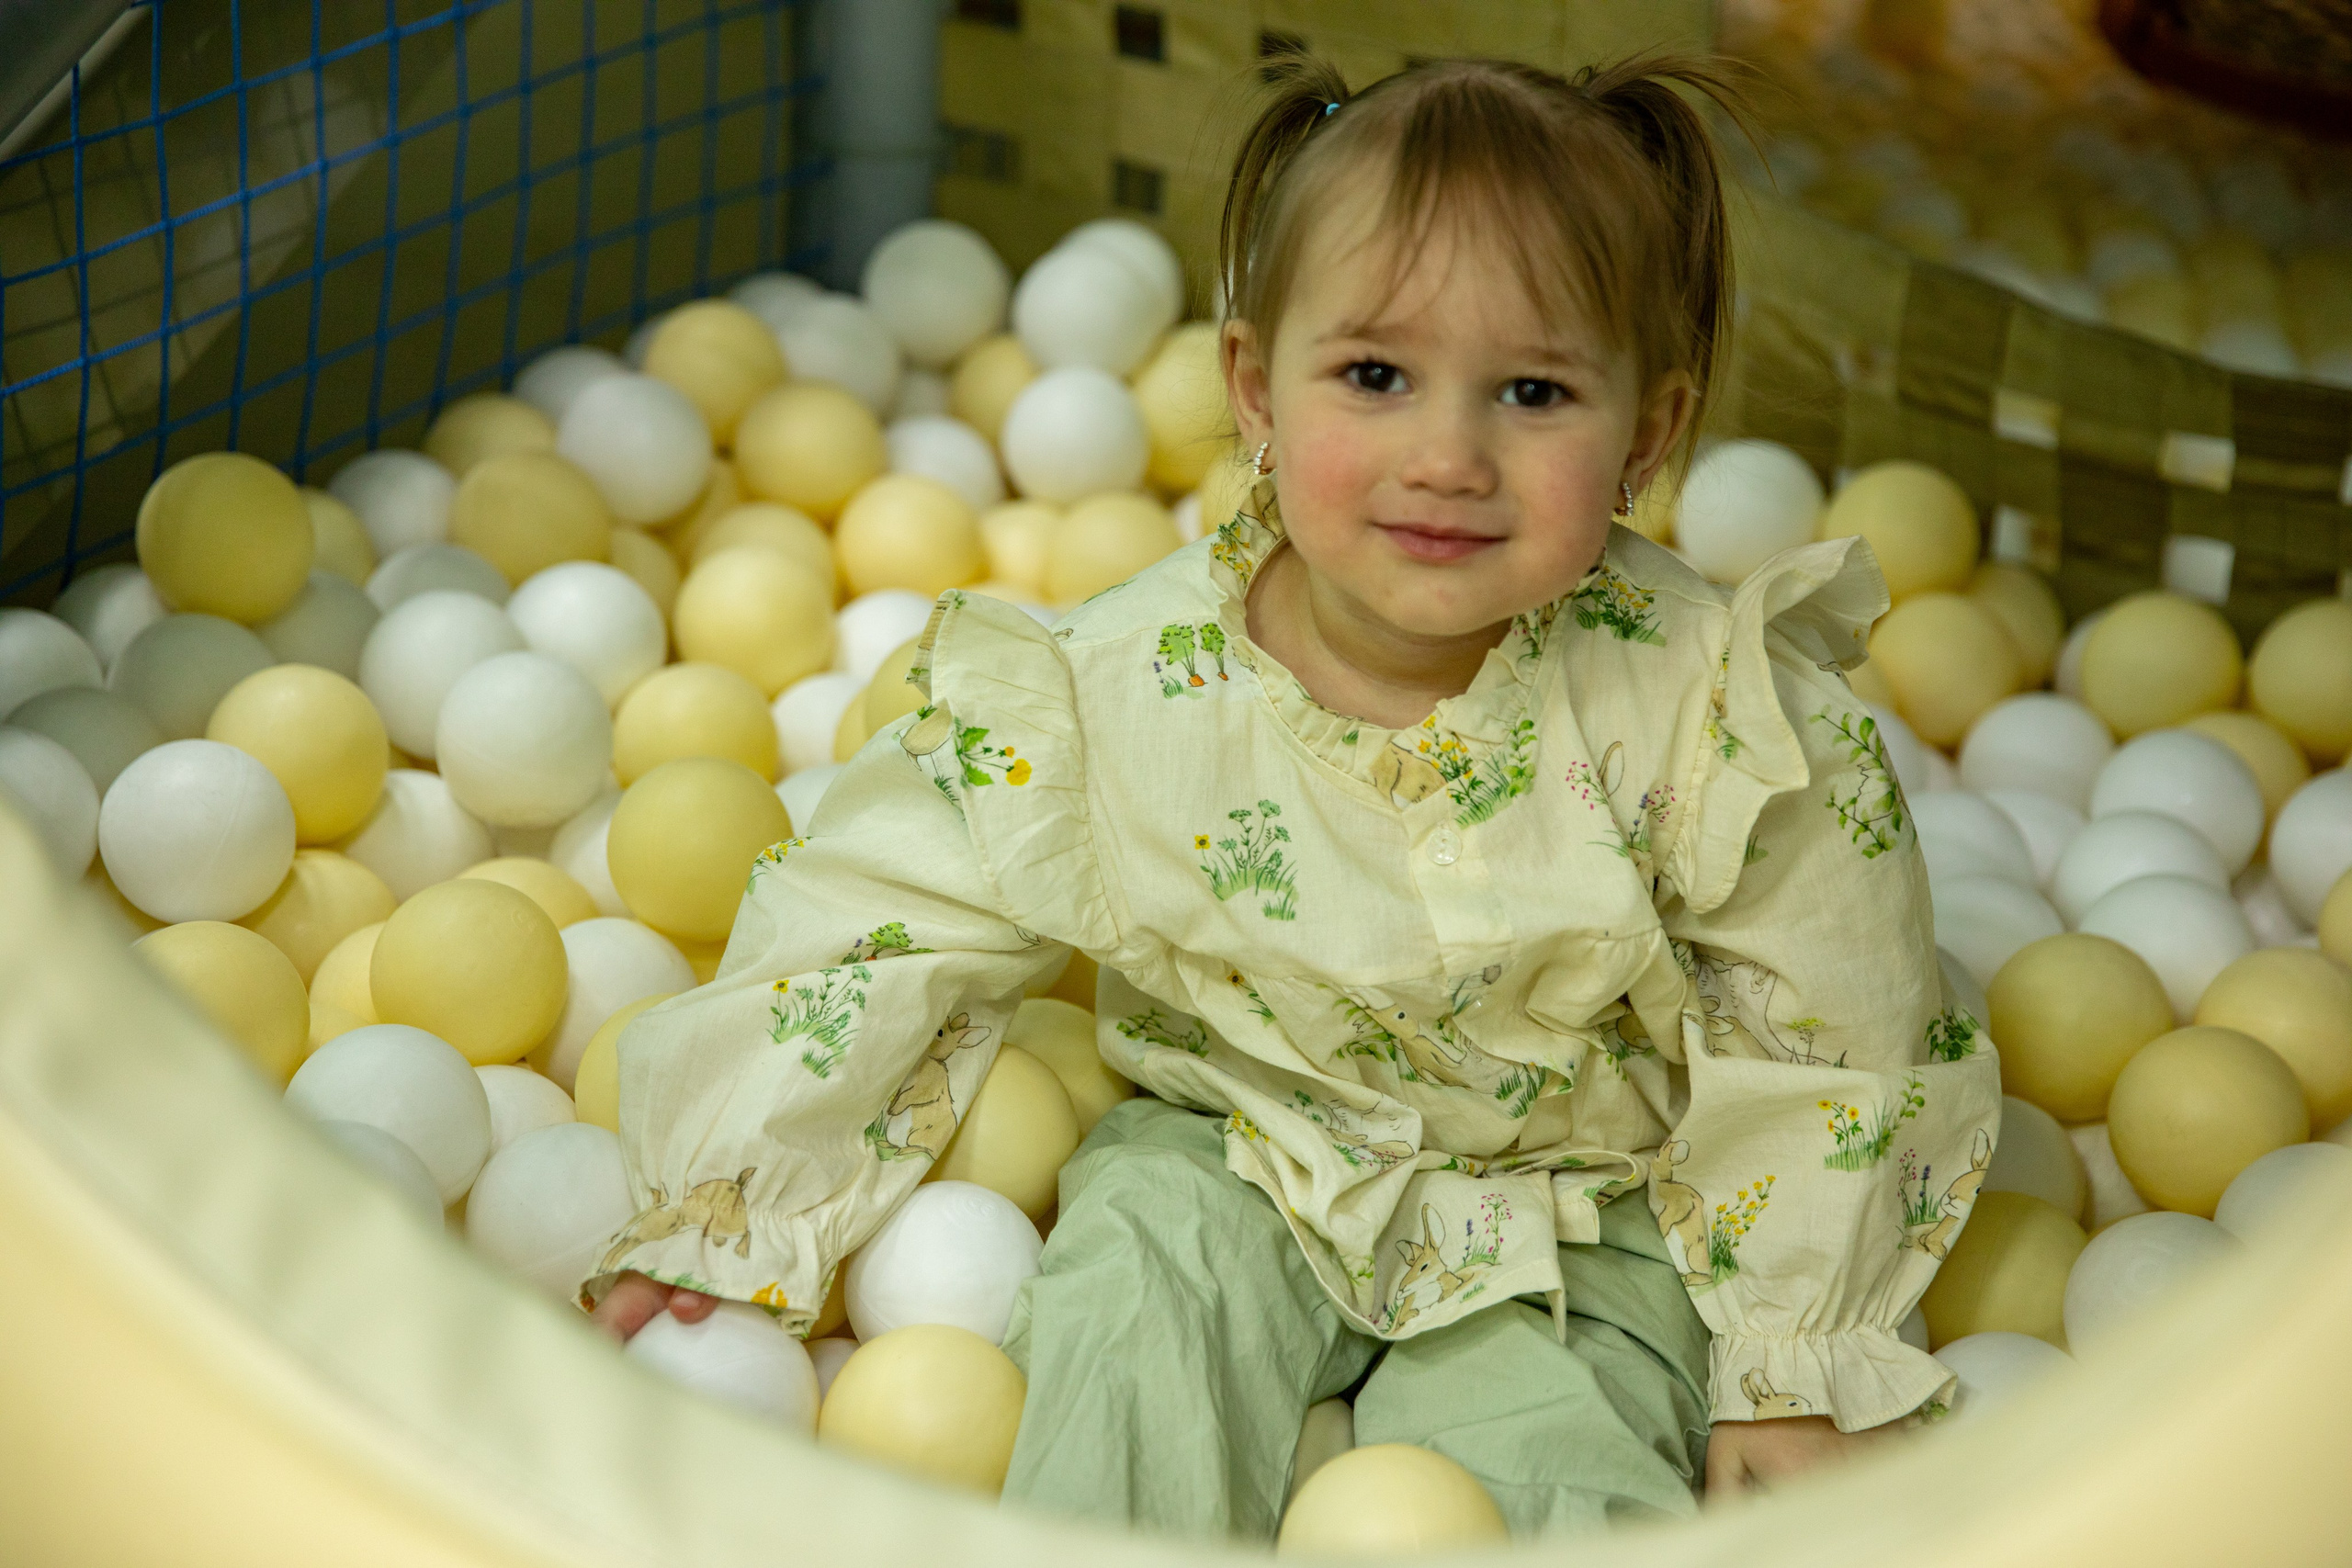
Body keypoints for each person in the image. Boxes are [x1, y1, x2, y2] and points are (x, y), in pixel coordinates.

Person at [582, 47, 2001, 1543]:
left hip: (1588, 1204)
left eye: (1533, 391)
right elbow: (879, 904)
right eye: (1376, 376)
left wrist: (1789, 1363)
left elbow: (1827, 1025)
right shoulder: (1116, 690)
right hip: (1240, 1142)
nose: (1447, 458)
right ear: (1255, 387)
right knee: (1128, 1318)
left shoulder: (1713, 714)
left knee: (1549, 1466)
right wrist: (727, 1198)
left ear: (1645, 435)